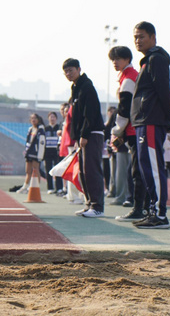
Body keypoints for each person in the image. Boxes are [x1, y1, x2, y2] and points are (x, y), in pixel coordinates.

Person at [130, 21, 170, 229]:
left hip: (151, 121)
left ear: (153, 37)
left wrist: (169, 117)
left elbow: (164, 90)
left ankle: (160, 215)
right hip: (143, 121)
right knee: (146, 167)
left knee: (153, 168)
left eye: (141, 36)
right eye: (135, 37)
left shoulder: (156, 59)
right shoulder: (147, 61)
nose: (137, 41)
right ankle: (152, 211)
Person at [108, 46, 148, 222]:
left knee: (137, 171)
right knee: (139, 170)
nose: (115, 63)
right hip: (136, 128)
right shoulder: (129, 76)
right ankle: (144, 208)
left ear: (127, 59)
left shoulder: (129, 79)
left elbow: (125, 109)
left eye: (118, 59)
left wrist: (118, 130)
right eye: (113, 60)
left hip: (134, 129)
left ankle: (139, 209)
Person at [63, 58, 105, 218]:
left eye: (71, 70)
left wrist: (84, 134)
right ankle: (89, 204)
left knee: (92, 170)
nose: (68, 74)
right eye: (65, 71)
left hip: (92, 134)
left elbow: (91, 113)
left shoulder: (87, 87)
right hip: (83, 136)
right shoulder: (76, 88)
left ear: (79, 69)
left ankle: (97, 206)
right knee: (83, 172)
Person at [16, 113, 46, 194]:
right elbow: (28, 142)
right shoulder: (30, 129)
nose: (33, 120)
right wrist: (26, 150)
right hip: (29, 153)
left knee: (36, 170)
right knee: (28, 171)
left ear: (38, 120)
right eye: (32, 118)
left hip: (36, 153)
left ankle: (36, 187)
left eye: (35, 118)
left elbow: (42, 144)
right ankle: (25, 187)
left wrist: (40, 155)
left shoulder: (41, 130)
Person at [44, 111, 62, 194]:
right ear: (48, 118)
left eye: (53, 117)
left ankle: (59, 188)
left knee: (58, 169)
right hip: (47, 152)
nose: (52, 118)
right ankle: (50, 188)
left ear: (56, 118)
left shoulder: (59, 128)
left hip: (56, 151)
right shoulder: (45, 128)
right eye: (50, 117)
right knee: (48, 169)